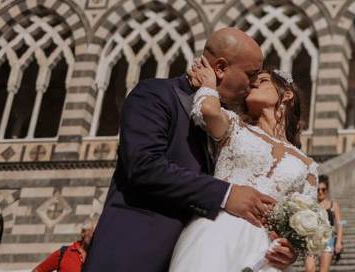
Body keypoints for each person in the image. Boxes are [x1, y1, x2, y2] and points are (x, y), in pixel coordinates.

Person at [84, 28, 296, 272]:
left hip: (199, 258)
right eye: (250, 74)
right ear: (220, 68)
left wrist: (277, 249)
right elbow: (144, 166)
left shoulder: (233, 127)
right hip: (137, 254)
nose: (251, 84)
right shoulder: (156, 95)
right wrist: (226, 194)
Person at [169, 60, 319, 271]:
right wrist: (209, 83)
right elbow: (209, 111)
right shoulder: (235, 126)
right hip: (216, 232)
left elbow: (300, 223)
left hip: (263, 253)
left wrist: (290, 251)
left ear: (287, 95)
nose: (254, 84)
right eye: (252, 82)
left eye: (263, 80)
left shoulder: (307, 165)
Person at [305, 175, 344, 272]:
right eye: (318, 190)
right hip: (312, 240)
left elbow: (340, 223)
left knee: (324, 270)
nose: (320, 192)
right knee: (309, 269)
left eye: (323, 189)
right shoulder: (311, 204)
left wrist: (338, 242)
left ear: (327, 190)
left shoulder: (333, 204)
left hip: (328, 240)